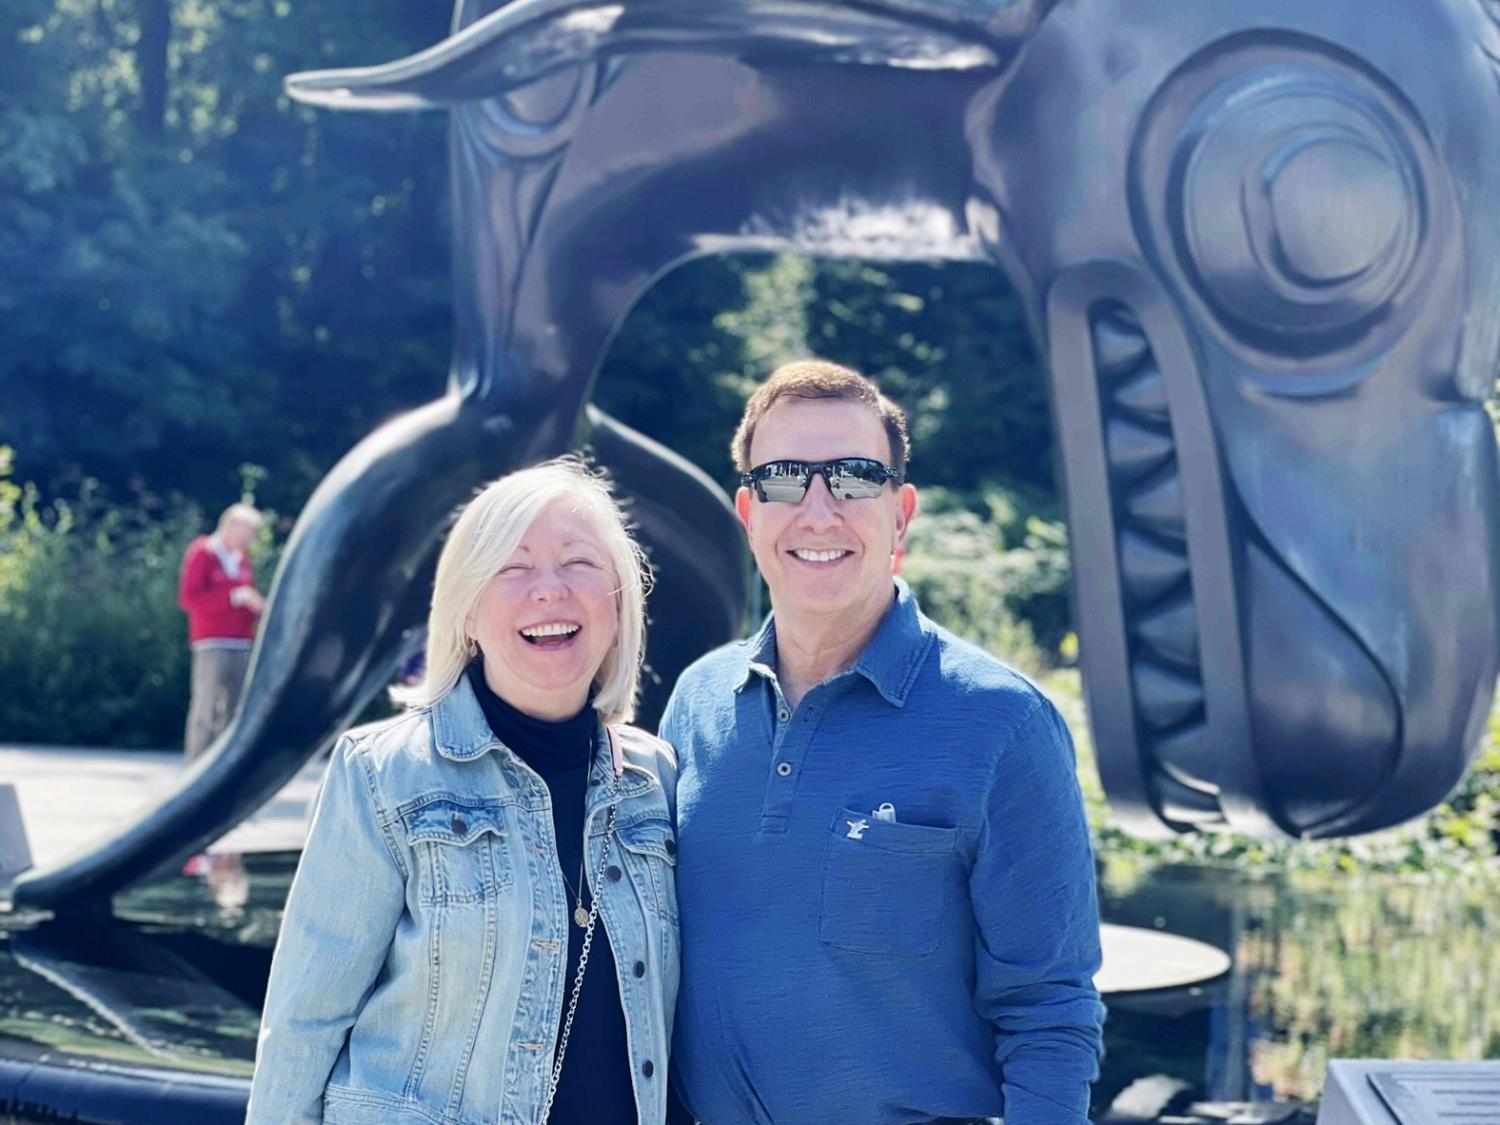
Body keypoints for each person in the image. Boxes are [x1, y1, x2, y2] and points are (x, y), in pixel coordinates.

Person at [661, 361, 1105, 1125]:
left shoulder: (1004, 724)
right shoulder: (696, 702)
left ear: (901, 513)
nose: (819, 509)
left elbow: (1049, 1013)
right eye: (785, 477)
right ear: (748, 510)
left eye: (856, 477)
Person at [248, 459, 680, 1125]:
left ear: (619, 603)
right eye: (514, 565)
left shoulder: (657, 781)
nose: (549, 590)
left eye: (578, 562)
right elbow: (304, 1021)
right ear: (468, 607)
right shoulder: (383, 772)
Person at [178, 503, 266, 761]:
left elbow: (245, 598)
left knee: (234, 710)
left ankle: (223, 764)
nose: (250, 539)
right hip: (212, 642)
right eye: (248, 532)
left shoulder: (242, 559)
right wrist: (232, 597)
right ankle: (196, 766)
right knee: (206, 708)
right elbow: (190, 599)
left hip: (241, 642)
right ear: (232, 526)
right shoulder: (203, 552)